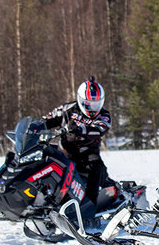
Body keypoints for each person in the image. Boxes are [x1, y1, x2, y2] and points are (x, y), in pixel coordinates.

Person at [43, 76, 113, 208]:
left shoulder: (104, 115)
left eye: (96, 104)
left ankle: (89, 208)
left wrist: (80, 129)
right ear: (81, 100)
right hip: (64, 151)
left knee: (96, 168)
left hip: (87, 155)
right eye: (88, 104)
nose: (92, 108)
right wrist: (36, 127)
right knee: (43, 156)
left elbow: (99, 129)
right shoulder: (67, 109)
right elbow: (48, 119)